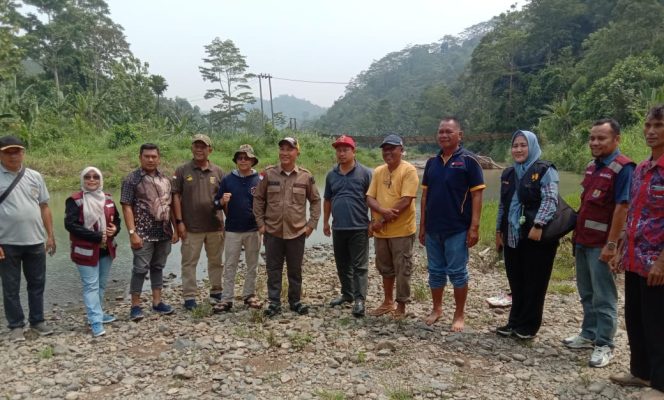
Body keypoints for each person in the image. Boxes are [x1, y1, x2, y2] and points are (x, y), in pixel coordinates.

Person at [562, 119, 634, 368]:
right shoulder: (592, 167)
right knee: (587, 292)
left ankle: (605, 344)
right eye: (592, 138)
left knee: (604, 296)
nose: (595, 142)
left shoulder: (623, 168)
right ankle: (588, 333)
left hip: (602, 245)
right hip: (583, 240)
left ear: (616, 139)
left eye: (601, 138)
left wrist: (612, 245)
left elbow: (622, 207)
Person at [609, 105, 664, 399]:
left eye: (659, 125)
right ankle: (641, 372)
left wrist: (662, 261)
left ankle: (660, 383)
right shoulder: (642, 169)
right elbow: (632, 215)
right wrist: (619, 248)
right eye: (648, 125)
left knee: (658, 322)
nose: (651, 131)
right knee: (636, 317)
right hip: (634, 257)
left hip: (657, 262)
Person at [419, 117, 485, 331]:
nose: (444, 135)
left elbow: (477, 195)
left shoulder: (469, 161)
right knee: (435, 271)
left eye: (448, 131)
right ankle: (437, 309)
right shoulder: (432, 162)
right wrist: (422, 226)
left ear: (460, 135)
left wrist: (474, 227)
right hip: (433, 229)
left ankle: (459, 314)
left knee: (457, 272)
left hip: (457, 228)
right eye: (440, 132)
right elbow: (425, 197)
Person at [495, 130, 560, 340]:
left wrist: (539, 224)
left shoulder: (544, 170)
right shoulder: (508, 174)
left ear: (532, 147)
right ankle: (514, 322)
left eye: (523, 145)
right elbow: (502, 205)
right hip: (512, 236)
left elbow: (551, 199)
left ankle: (529, 326)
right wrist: (498, 230)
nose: (519, 149)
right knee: (516, 280)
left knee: (535, 281)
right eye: (515, 145)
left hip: (535, 237)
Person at [253, 137, 321, 318]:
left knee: (295, 269)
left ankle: (295, 301)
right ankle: (274, 302)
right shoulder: (268, 174)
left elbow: (315, 201)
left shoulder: (306, 176)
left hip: (297, 232)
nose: (285, 153)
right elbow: (258, 199)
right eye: (282, 149)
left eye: (289, 149)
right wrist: (260, 224)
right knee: (273, 269)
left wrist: (311, 225)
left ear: (297, 152)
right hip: (272, 231)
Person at [0, 135, 55, 341]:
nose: (14, 155)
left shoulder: (34, 176)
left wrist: (50, 235)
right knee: (10, 286)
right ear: (1, 154)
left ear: (23, 152)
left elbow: (44, 207)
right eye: (8, 152)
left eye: (17, 151)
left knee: (37, 283)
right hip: (7, 243)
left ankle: (38, 321)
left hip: (35, 241)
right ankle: (15, 326)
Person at [121, 143, 178, 321]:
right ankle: (135, 306)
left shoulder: (166, 179)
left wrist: (175, 228)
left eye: (154, 156)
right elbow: (126, 207)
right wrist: (132, 232)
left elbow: (171, 205)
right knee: (139, 269)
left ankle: (157, 302)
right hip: (143, 233)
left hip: (164, 232)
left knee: (158, 267)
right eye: (147, 156)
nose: (151, 159)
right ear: (140, 157)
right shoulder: (132, 179)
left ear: (159, 158)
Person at [366, 134, 418, 319]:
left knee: (402, 267)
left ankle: (401, 306)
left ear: (401, 150)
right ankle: (387, 302)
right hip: (381, 232)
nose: (388, 152)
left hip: (402, 231)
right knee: (385, 267)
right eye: (385, 149)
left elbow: (405, 200)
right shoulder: (379, 171)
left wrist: (382, 220)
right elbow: (369, 197)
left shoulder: (409, 170)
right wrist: (380, 212)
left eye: (392, 148)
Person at [64, 167, 121, 337]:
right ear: (83, 180)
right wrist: (96, 236)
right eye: (87, 177)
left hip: (106, 250)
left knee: (101, 285)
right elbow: (70, 225)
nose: (91, 180)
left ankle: (98, 313)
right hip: (85, 251)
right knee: (91, 286)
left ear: (100, 179)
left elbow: (116, 219)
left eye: (95, 177)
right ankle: (95, 321)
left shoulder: (108, 198)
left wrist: (115, 229)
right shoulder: (75, 200)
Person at [172, 134, 225, 310]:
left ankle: (216, 291)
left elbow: (224, 199)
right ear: (192, 148)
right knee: (189, 262)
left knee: (216, 261)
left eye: (203, 146)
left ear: (210, 150)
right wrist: (179, 222)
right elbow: (176, 197)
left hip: (215, 226)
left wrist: (228, 225)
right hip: (190, 227)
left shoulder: (218, 172)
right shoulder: (182, 171)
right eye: (196, 146)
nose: (199, 149)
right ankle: (189, 297)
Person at [323, 135, 372, 317]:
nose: (341, 153)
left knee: (359, 266)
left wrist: (373, 222)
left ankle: (360, 300)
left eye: (345, 150)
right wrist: (326, 222)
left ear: (353, 151)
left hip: (359, 226)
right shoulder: (331, 175)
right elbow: (327, 199)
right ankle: (347, 294)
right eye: (338, 150)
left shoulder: (365, 173)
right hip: (338, 227)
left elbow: (371, 199)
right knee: (342, 263)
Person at [213, 144, 262, 312]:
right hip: (233, 229)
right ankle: (227, 298)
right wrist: (223, 201)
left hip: (253, 229)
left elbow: (267, 204)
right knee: (230, 265)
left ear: (252, 161)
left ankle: (249, 295)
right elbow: (216, 203)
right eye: (240, 158)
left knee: (252, 265)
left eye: (246, 158)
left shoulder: (260, 180)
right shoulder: (228, 179)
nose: (243, 161)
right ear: (236, 160)